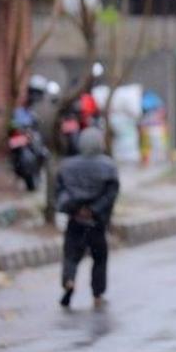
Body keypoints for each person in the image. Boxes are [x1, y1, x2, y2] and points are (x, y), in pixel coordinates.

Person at [56, 127, 120, 310]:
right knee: (99, 258)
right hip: (96, 222)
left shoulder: (67, 166)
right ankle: (97, 294)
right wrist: (94, 210)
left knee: (70, 255)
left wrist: (75, 209)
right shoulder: (108, 166)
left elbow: (60, 191)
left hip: (75, 220)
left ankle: (69, 281)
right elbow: (111, 193)